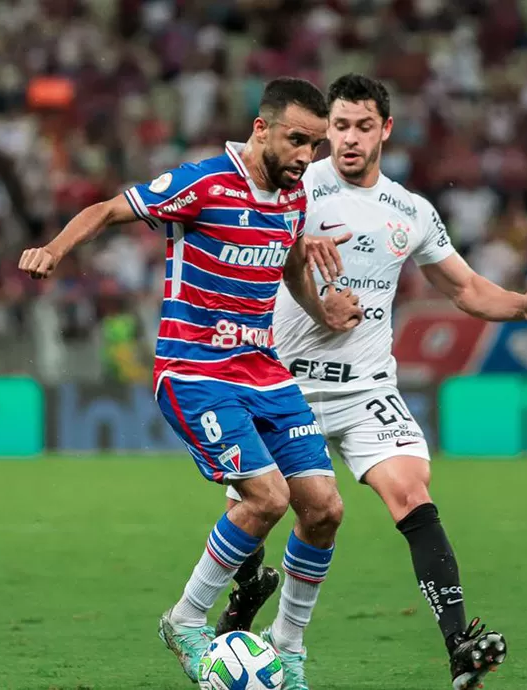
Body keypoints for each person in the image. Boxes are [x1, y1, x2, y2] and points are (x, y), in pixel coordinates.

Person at [216, 74, 527, 690]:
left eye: (361, 126)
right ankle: (243, 591)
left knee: (411, 491)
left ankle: (451, 644)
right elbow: (242, 232)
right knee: (278, 512)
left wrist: (523, 305)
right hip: (282, 381)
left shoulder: (411, 211)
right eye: (338, 126)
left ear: (385, 129)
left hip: (365, 387)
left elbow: (464, 287)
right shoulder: (291, 186)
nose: (347, 140)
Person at [18, 77, 363, 689]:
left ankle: (286, 645)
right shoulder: (202, 183)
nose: (307, 158)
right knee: (267, 498)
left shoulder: (293, 195)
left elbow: (286, 262)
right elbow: (105, 210)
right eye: (297, 141)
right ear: (263, 128)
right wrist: (53, 248)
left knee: (325, 510)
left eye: (315, 146)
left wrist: (320, 311)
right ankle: (185, 618)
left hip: (264, 369)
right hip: (195, 369)